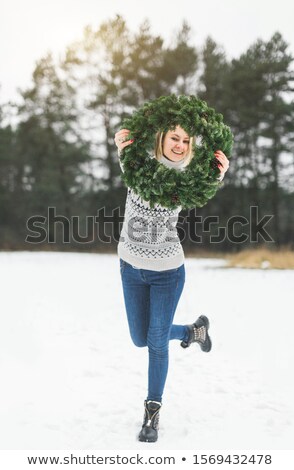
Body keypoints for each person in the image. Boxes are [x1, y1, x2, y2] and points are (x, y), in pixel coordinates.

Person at [114, 124, 229, 443]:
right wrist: (121, 139)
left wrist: (220, 173)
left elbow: (206, 186)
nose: (179, 144)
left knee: (155, 341)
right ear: (162, 139)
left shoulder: (187, 179)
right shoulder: (136, 165)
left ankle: (152, 411)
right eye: (174, 138)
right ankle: (194, 332)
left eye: (186, 141)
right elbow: (124, 138)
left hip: (167, 274)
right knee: (141, 338)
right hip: (130, 269)